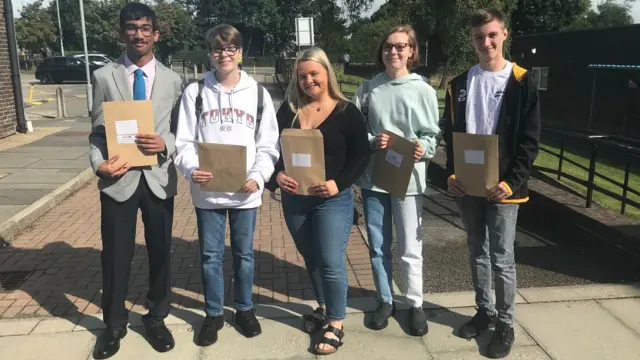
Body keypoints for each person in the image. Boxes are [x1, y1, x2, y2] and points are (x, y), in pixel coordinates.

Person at [442, 8, 540, 359]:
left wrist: (512, 183)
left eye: (492, 35)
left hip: (504, 189)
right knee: (476, 252)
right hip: (468, 186)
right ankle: (484, 311)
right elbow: (450, 135)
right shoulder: (460, 84)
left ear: (504, 35)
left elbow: (529, 141)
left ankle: (506, 322)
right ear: (472, 40)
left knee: (502, 258)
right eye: (479, 37)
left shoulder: (521, 80)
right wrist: (451, 173)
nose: (486, 43)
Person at [174, 24, 280, 347]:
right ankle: (213, 313)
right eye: (218, 49)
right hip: (208, 192)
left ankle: (244, 309)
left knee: (244, 255)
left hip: (245, 191)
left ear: (240, 53)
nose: (224, 55)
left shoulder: (258, 94)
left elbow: (268, 145)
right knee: (210, 256)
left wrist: (259, 176)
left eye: (230, 49)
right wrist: (191, 169)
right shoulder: (195, 93)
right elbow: (184, 143)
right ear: (211, 54)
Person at [88, 3, 183, 359]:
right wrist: (99, 166)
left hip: (159, 178)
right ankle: (113, 324)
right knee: (115, 255)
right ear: (121, 33)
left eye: (145, 28)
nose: (138, 34)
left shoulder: (174, 80)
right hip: (119, 179)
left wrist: (166, 144)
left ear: (156, 34)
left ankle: (156, 317)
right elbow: (97, 134)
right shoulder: (103, 77)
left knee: (160, 252)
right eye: (131, 27)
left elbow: (181, 133)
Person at [268, 47, 370, 355]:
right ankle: (324, 307)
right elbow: (271, 150)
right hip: (295, 199)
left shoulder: (346, 111)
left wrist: (338, 183)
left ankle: (336, 323)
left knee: (330, 259)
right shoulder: (289, 110)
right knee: (311, 256)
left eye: (314, 74)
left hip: (332, 199)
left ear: (327, 73)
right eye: (302, 76)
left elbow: (361, 155)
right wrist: (276, 177)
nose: (309, 81)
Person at [353, 25, 440, 336]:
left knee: (409, 245)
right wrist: (370, 140)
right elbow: (353, 130)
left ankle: (415, 303)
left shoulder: (424, 90)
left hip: (408, 179)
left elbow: (432, 136)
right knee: (378, 245)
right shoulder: (367, 90)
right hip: (374, 177)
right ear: (382, 50)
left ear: (411, 51)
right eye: (388, 46)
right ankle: (385, 299)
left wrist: (423, 148)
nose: (393, 51)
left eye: (401, 46)